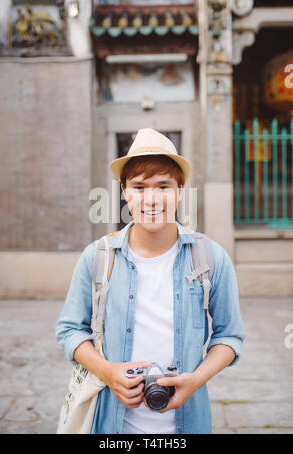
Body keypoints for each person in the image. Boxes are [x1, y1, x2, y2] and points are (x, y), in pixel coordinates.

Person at [55, 128, 246, 434]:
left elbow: (230, 337)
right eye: (139, 187)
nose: (152, 199)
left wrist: (195, 380)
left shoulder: (211, 257)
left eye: (163, 186)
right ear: (124, 191)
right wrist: (108, 372)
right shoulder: (98, 257)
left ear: (180, 189)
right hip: (110, 425)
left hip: (188, 425)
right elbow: (69, 330)